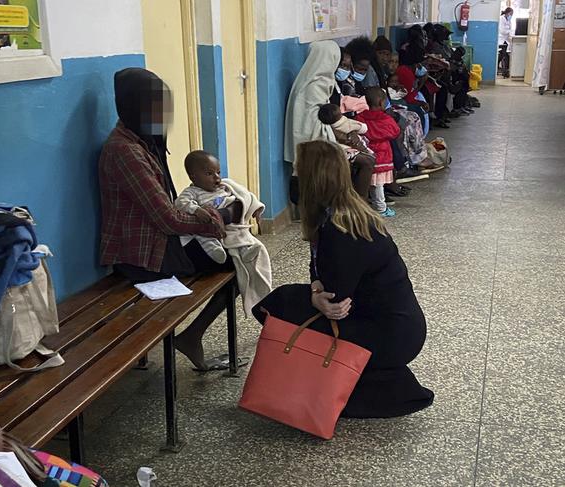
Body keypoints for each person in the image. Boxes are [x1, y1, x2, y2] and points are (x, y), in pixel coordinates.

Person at [253, 140, 434, 419]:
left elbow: (336, 301)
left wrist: (317, 296)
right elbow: (321, 275)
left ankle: (329, 376)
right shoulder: (345, 213)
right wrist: (315, 290)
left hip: (390, 335)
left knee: (278, 304)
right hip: (396, 326)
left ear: (313, 180)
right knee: (290, 298)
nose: (294, 178)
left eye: (299, 172)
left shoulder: (341, 231)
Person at [99, 68, 235, 371]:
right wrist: (219, 218)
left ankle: (189, 339)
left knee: (233, 249)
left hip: (159, 242)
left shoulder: (142, 138)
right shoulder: (126, 151)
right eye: (153, 105)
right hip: (144, 255)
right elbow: (168, 220)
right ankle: (191, 338)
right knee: (236, 266)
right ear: (132, 105)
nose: (160, 113)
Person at [175, 150, 272, 316]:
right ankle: (221, 253)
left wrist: (256, 209)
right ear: (193, 177)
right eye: (209, 173)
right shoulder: (192, 193)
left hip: (231, 228)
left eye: (218, 172)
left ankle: (246, 250)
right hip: (211, 232)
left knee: (246, 241)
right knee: (209, 240)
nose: (217, 178)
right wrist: (196, 210)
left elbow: (246, 196)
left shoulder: (225, 186)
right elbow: (180, 203)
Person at [284, 40, 374, 204]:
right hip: (315, 142)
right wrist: (346, 138)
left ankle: (357, 203)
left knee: (365, 156)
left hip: (322, 137)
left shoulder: (318, 81)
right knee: (366, 160)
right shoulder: (314, 86)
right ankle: (360, 205)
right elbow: (318, 123)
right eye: (340, 63)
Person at [356, 88, 401, 217]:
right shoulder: (385, 118)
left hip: (366, 152)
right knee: (378, 184)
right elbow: (395, 131)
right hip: (383, 154)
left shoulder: (360, 117)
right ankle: (381, 208)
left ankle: (370, 203)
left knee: (367, 181)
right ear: (382, 102)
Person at [498, 8, 514, 78]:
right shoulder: (501, 18)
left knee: (502, 56)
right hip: (501, 40)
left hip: (506, 40)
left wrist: (510, 32)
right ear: (507, 13)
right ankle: (505, 72)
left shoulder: (509, 20)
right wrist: (509, 31)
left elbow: (510, 29)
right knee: (504, 56)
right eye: (511, 14)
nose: (511, 16)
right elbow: (502, 31)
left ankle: (503, 71)